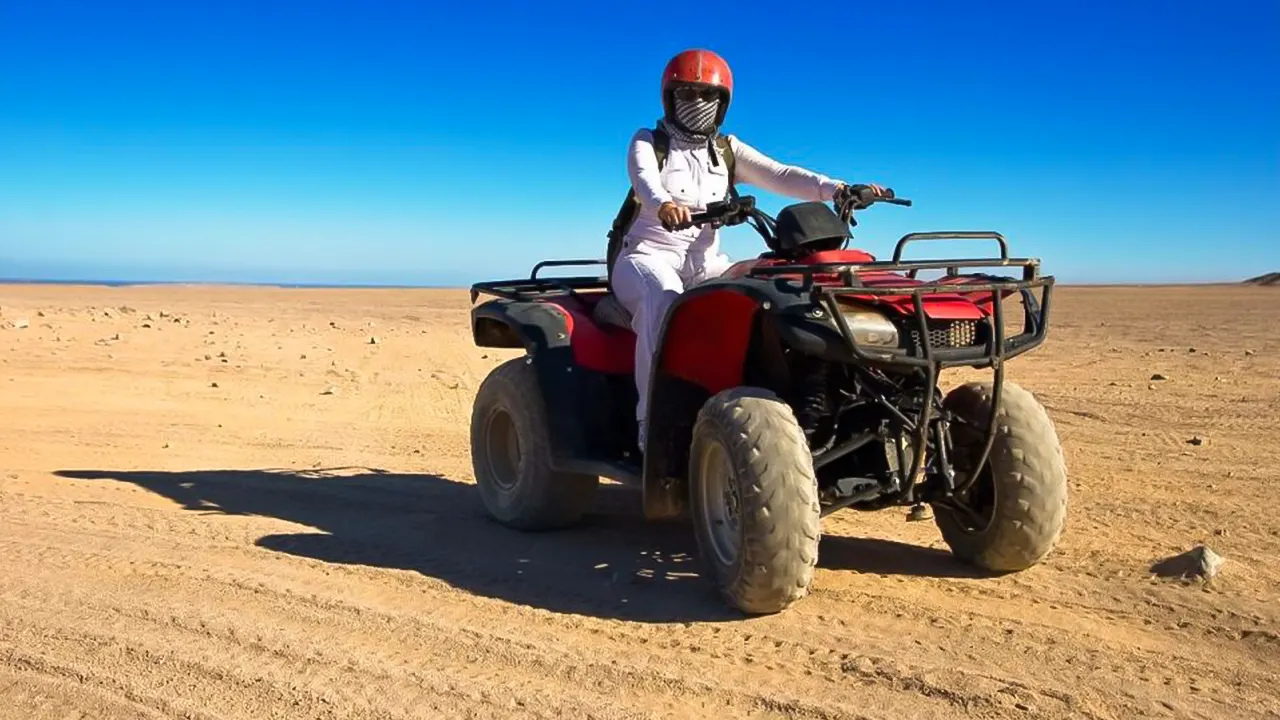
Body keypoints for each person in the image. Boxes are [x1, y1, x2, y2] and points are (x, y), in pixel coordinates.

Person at [610, 48, 891, 451]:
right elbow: (644, 181)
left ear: (723, 103)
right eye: (686, 95)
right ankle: (651, 425)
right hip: (646, 258)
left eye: (708, 96)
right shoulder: (648, 142)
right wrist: (663, 206)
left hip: (705, 265)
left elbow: (780, 174)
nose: (697, 105)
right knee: (662, 299)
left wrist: (837, 189)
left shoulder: (726, 151)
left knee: (769, 281)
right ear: (669, 98)